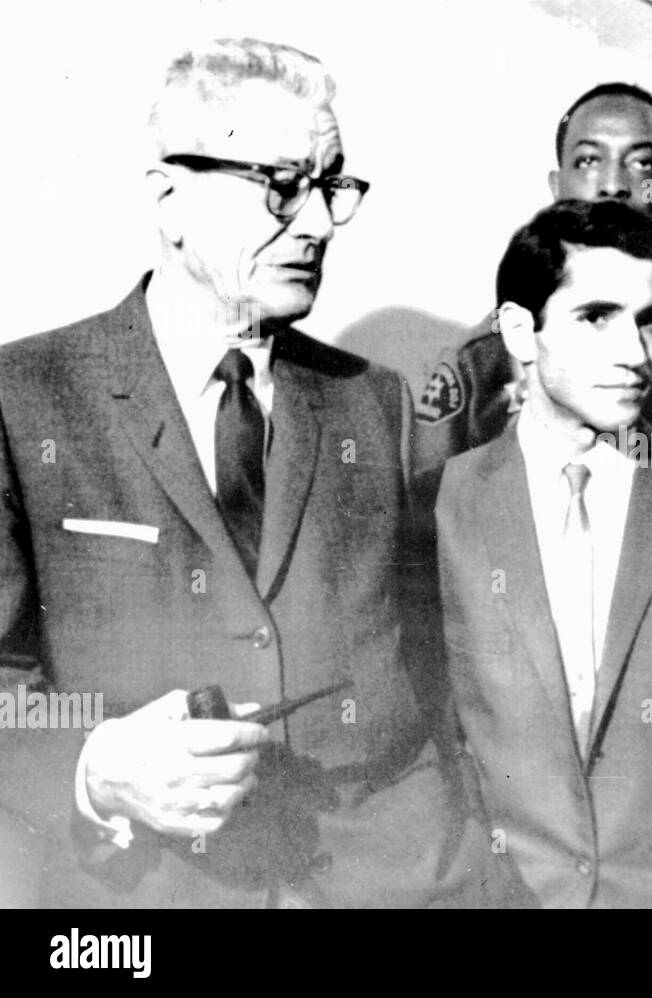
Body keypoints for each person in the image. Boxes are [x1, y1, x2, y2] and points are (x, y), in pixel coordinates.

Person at [0, 37, 492, 908]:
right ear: (168, 197)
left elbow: (430, 667)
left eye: (330, 187)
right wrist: (97, 768)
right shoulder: (23, 397)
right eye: (280, 185)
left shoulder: (373, 403)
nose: (314, 224)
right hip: (146, 900)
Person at [430, 199, 652, 907]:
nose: (636, 353)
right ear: (520, 331)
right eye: (596, 317)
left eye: (647, 320)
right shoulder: (441, 506)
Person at [346, 82, 652, 471]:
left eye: (643, 164)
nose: (613, 184)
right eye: (588, 161)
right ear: (557, 187)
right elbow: (442, 512)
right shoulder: (489, 352)